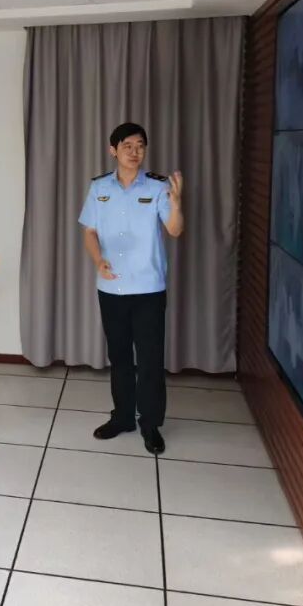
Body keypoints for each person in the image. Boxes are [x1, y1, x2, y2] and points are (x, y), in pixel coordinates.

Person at [79, 122, 184, 454]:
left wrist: (177, 205)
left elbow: (175, 230)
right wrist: (98, 260)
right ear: (113, 150)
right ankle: (123, 417)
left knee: (150, 359)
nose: (134, 152)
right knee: (120, 356)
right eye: (127, 146)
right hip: (111, 289)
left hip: (148, 287)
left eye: (140, 146)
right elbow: (89, 232)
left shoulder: (158, 186)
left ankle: (150, 424)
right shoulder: (99, 188)